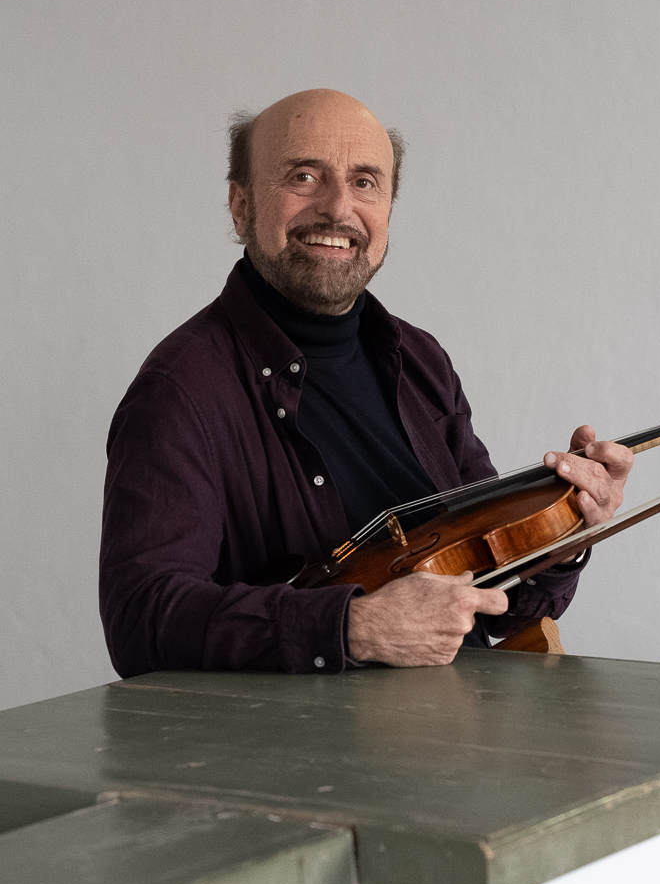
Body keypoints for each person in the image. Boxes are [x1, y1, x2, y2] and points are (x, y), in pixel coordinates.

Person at [100, 90, 633, 677]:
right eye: (304, 176)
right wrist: (353, 628)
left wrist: (563, 535)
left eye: (365, 182)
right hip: (302, 755)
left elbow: (503, 603)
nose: (337, 209)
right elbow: (140, 621)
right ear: (240, 205)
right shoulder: (182, 389)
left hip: (463, 734)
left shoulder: (421, 360)